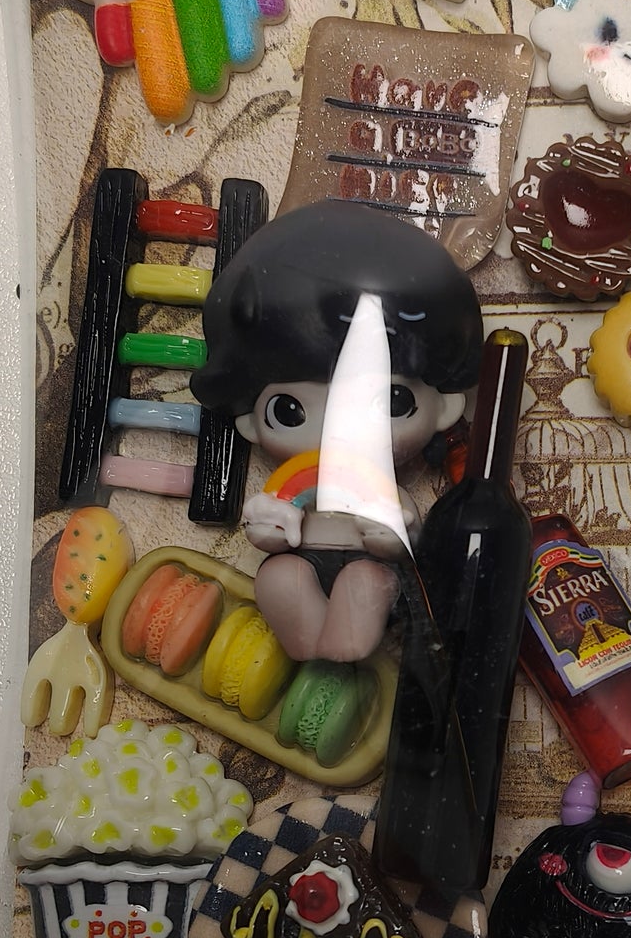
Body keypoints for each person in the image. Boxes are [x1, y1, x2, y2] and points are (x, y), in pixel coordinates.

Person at [189, 202, 482, 661]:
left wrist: (388, 531)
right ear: (248, 420)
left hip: (372, 564)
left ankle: (344, 650)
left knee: (367, 581)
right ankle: (310, 649)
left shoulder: (385, 489)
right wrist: (270, 525)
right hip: (299, 555)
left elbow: (402, 539)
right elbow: (267, 532)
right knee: (278, 578)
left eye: (392, 401)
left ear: (444, 407)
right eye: (289, 411)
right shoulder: (287, 483)